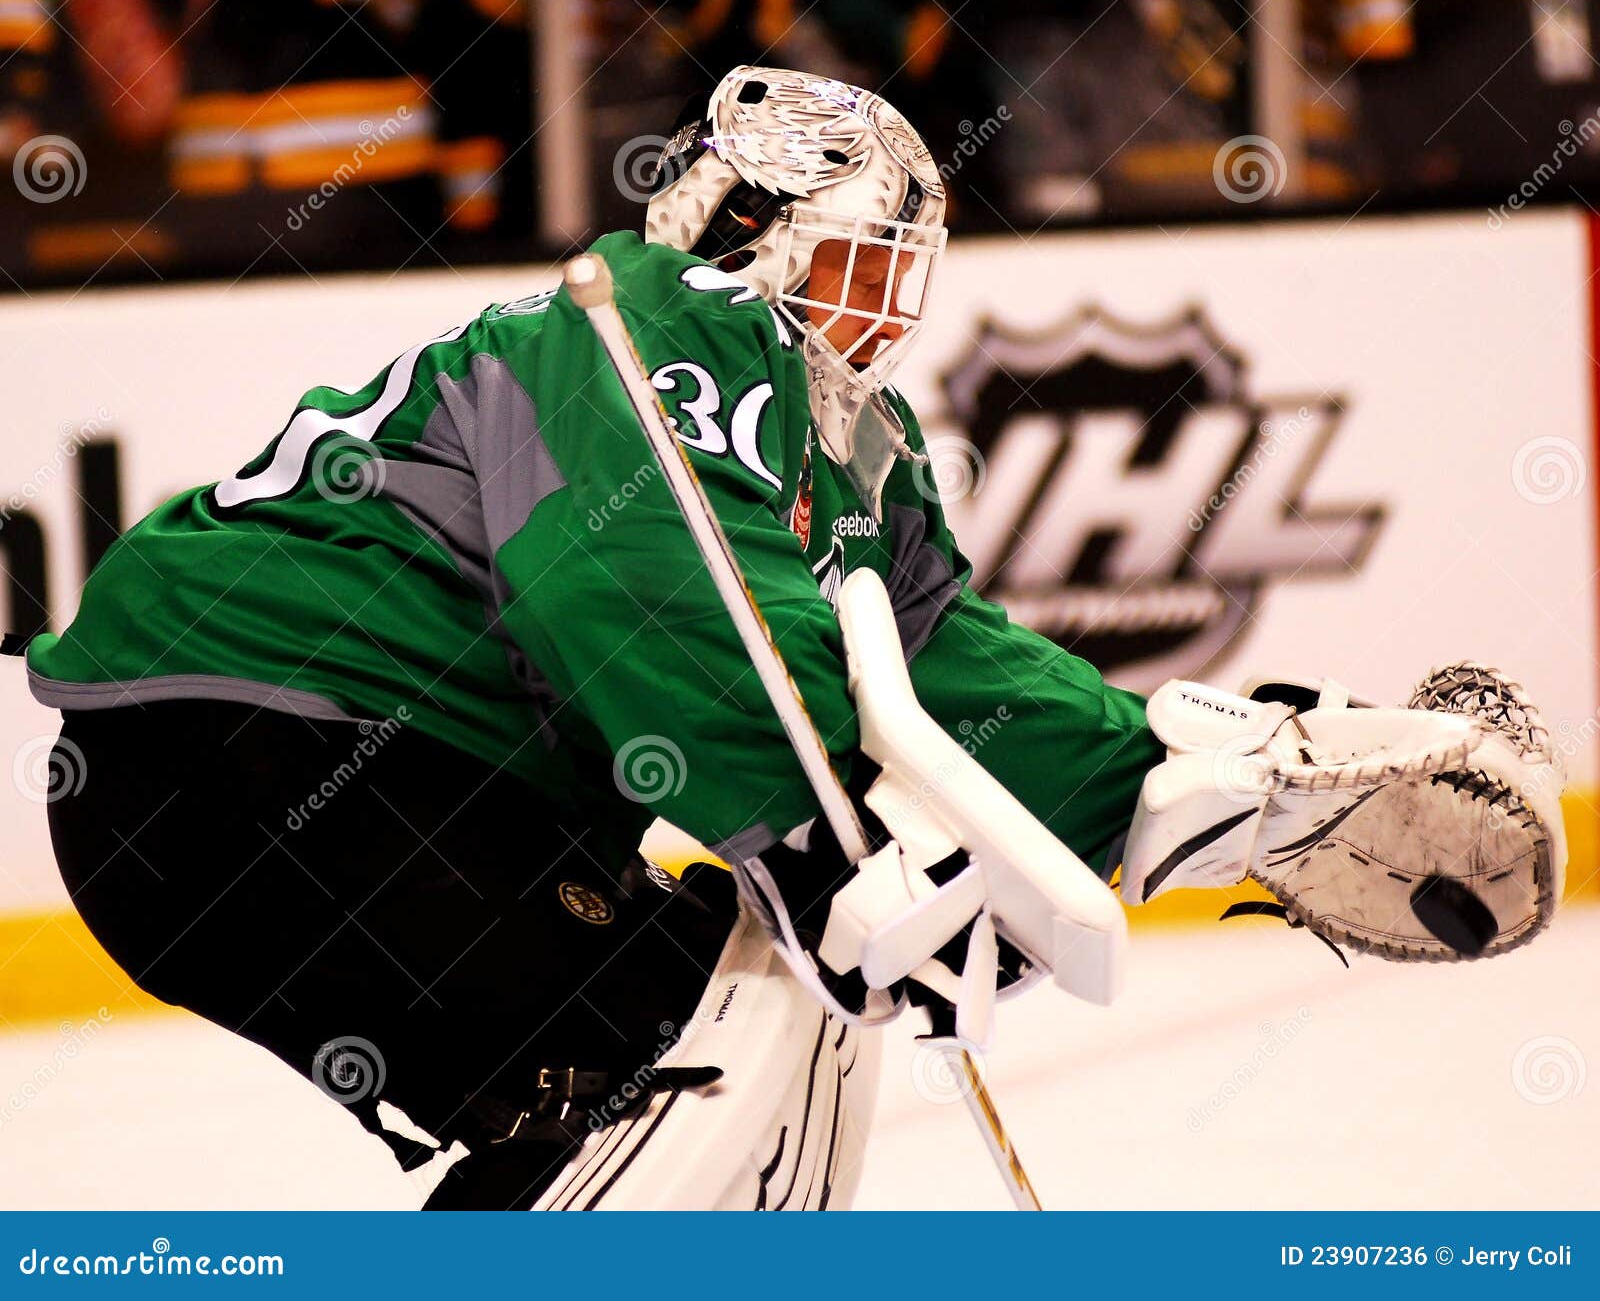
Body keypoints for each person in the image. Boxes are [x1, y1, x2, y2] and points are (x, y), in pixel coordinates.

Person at [20, 65, 1561, 1210]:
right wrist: (813, 840)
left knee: (718, 1026)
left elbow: (939, 664)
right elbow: (631, 579)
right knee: (694, 1032)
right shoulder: (642, 316)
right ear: (747, 224)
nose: (884, 317)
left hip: (307, 794)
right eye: (860, 264)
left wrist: (1181, 786)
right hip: (245, 754)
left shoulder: (847, 442)